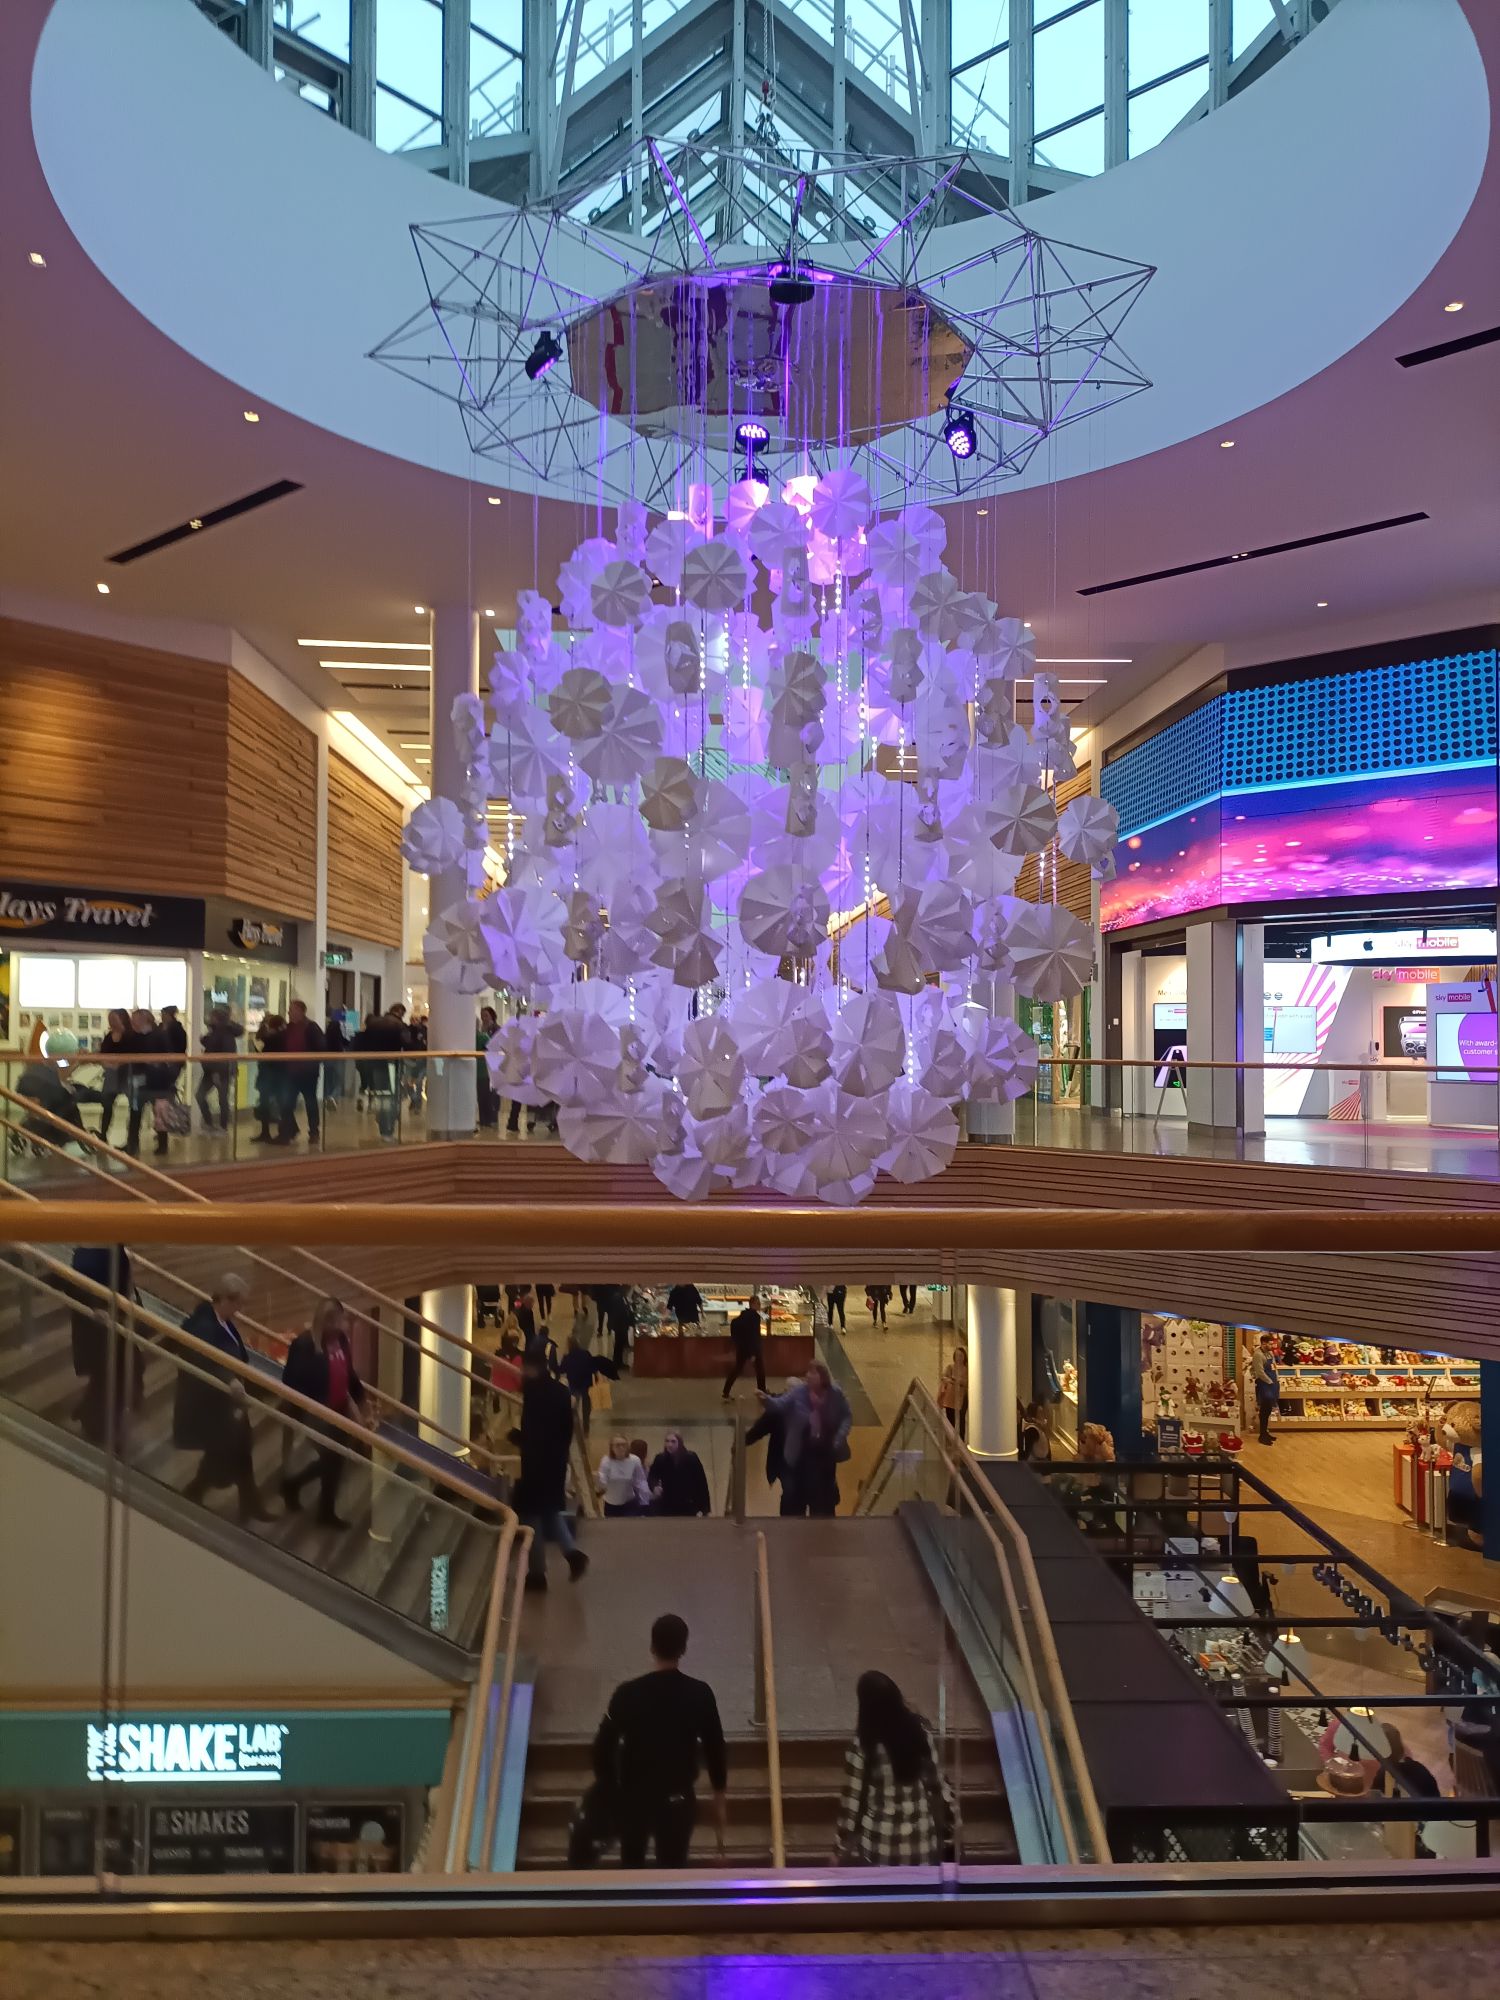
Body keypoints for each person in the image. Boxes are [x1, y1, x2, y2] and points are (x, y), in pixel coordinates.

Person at [592, 1614, 727, 1868]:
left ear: (652, 1647)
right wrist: (718, 1794)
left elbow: (602, 1748)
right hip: (678, 1799)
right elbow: (715, 1748)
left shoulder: (627, 1694)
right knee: (673, 1870)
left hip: (634, 1799)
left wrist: (610, 1787)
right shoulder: (700, 1694)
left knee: (631, 1867)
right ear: (683, 1649)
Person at [173, 1274, 271, 1522]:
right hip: (212, 1402)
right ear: (226, 1299)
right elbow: (204, 1359)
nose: (240, 1310)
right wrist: (230, 1379)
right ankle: (202, 1490)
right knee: (230, 1449)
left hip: (225, 1401)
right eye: (239, 1304)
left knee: (240, 1449)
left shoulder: (222, 1322)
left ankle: (248, 1502)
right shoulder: (204, 1325)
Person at [833, 1671, 954, 1866]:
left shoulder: (864, 1744)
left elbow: (851, 1803)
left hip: (880, 1846)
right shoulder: (921, 1734)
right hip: (922, 1841)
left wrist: (839, 1850)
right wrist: (950, 1831)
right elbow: (939, 1788)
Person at [280, 1297, 367, 1527]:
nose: (341, 1326)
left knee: (336, 1458)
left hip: (339, 1409)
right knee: (333, 1456)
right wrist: (315, 1409)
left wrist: (359, 1401)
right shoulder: (304, 1345)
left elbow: (348, 1373)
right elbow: (292, 1384)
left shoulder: (341, 1340)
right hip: (313, 1411)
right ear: (325, 1321)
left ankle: (299, 1489)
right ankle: (321, 1509)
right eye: (336, 1321)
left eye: (341, 1321)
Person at [512, 1351, 589, 1590]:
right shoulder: (560, 1392)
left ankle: (537, 1574)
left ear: (530, 1368)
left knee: (530, 1518)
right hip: (555, 1464)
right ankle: (573, 1555)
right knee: (549, 1511)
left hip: (537, 1466)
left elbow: (536, 1433)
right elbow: (564, 1429)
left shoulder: (534, 1394)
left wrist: (519, 1438)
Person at [68, 1242, 143, 1446]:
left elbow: (124, 1282)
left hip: (114, 1321)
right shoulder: (90, 1251)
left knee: (116, 1373)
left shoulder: (115, 1248)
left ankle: (92, 1416)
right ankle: (98, 1427)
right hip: (98, 1326)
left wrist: (131, 1301)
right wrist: (97, 1307)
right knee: (112, 1374)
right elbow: (78, 1285)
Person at [761, 1362, 852, 1517]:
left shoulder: (834, 1394)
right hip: (803, 1452)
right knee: (801, 1495)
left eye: (813, 1373)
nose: (808, 1376)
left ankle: (822, 1520)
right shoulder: (799, 1392)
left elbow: (846, 1415)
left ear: (823, 1377)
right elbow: (780, 1404)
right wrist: (766, 1400)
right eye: (808, 1372)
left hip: (826, 1452)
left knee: (823, 1498)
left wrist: (840, 1436)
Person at [277, 999, 326, 1145]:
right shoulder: (289, 1028)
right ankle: (287, 1132)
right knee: (287, 1103)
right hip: (291, 1072)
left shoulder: (311, 1027)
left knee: (310, 1102)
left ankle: (314, 1132)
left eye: (291, 1009)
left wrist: (312, 1063)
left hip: (307, 1073)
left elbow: (321, 1047)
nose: (289, 1012)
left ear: (300, 1011)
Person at [196, 1005, 242, 1133]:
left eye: (212, 1016)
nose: (210, 1018)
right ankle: (210, 1123)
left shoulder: (224, 1033)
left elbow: (223, 1053)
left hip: (220, 1070)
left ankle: (222, 1126)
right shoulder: (215, 1031)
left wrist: (217, 1071)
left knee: (222, 1098)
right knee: (202, 1095)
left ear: (217, 1018)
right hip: (212, 1070)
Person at [95, 1009, 135, 1146]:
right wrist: (106, 1063)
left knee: (133, 1107)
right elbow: (102, 1053)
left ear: (122, 1019)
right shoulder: (109, 1036)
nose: (111, 1022)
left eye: (114, 1019)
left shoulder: (130, 1036)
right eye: (110, 1019)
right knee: (107, 1105)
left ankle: (131, 1140)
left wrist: (119, 1063)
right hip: (111, 1074)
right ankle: (103, 1135)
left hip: (127, 1073)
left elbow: (132, 1054)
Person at [649, 1432, 712, 1517]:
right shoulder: (660, 1458)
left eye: (673, 1441)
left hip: (688, 1503)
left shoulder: (691, 1458)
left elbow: (701, 1483)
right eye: (667, 1441)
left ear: (679, 1443)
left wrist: (703, 1508)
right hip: (667, 1503)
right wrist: (654, 1486)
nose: (669, 1444)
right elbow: (652, 1476)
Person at [251, 1015, 287, 1144]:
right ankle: (275, 1132)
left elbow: (262, 1049)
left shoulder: (273, 1039)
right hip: (275, 1075)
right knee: (272, 1103)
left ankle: (275, 1132)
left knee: (269, 1103)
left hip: (271, 1076)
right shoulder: (280, 1037)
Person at [722, 1294, 766, 1399]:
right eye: (758, 1303)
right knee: (760, 1370)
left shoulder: (743, 1315)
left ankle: (726, 1391)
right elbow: (753, 1335)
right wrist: (753, 1353)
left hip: (742, 1348)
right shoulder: (754, 1317)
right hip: (752, 1348)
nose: (759, 1305)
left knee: (737, 1369)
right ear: (753, 1304)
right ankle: (762, 1392)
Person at [596, 1435, 652, 1516]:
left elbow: (640, 1482)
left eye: (623, 1445)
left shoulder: (634, 1460)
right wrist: (598, 1481)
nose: (621, 1448)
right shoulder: (606, 1461)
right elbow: (602, 1481)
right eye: (617, 1445)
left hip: (629, 1502)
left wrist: (645, 1502)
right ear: (612, 1448)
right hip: (611, 1503)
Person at [560, 1331, 596, 1435]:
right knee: (586, 1407)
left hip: (574, 1384)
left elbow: (561, 1369)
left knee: (573, 1406)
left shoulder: (567, 1357)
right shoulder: (586, 1353)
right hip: (586, 1384)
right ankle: (586, 1426)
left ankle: (573, 1426)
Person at [1250, 1332, 1280, 1446]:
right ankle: (1262, 1435)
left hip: (1272, 1383)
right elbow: (1260, 1372)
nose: (1272, 1346)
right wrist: (1270, 1382)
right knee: (1264, 1409)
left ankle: (1266, 1432)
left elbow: (1274, 1366)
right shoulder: (1258, 1355)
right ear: (1263, 1343)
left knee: (1268, 1410)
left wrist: (1276, 1379)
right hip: (1264, 1384)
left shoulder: (1270, 1353)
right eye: (1270, 1344)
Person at [476, 1006, 500, 1129]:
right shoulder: (481, 1030)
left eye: (486, 1015)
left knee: (492, 1094)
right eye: (482, 1016)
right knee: (482, 1093)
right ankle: (484, 1118)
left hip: (493, 1066)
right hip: (482, 1066)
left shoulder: (496, 1029)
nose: (484, 1018)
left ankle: (492, 1118)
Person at [936, 1345, 968, 1434]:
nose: (959, 1358)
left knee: (961, 1419)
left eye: (961, 1355)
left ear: (964, 1357)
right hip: (950, 1397)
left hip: (962, 1397)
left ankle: (960, 1439)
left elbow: (967, 1382)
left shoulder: (967, 1369)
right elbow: (944, 1377)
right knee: (950, 1419)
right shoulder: (950, 1367)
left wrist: (957, 1380)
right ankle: (951, 1437)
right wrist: (952, 1381)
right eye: (957, 1355)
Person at [605, 1287, 636, 1373]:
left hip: (622, 1325)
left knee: (620, 1345)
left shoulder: (622, 1297)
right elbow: (618, 1313)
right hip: (619, 1326)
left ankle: (619, 1362)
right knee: (618, 1345)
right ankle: (617, 1363)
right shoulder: (618, 1298)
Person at [322, 1011, 348, 1110]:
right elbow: (345, 1041)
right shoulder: (340, 1027)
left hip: (327, 1056)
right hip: (338, 1057)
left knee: (328, 1080)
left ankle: (326, 1097)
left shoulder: (328, 1028)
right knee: (338, 1080)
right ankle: (333, 1097)